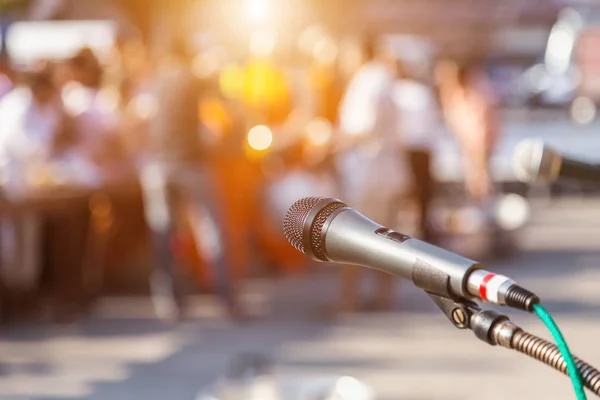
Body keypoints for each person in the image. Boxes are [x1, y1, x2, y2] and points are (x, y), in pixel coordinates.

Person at [140, 37, 236, 322]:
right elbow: (217, 119)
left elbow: (139, 117)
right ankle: (225, 297)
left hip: (157, 164)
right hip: (191, 162)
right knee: (211, 230)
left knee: (163, 234)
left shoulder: (154, 83)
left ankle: (168, 302)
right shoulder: (193, 80)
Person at [333, 35, 410, 314]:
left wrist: (332, 139)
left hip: (370, 173)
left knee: (352, 238)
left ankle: (348, 301)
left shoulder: (369, 79)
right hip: (384, 170)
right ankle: (382, 298)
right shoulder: (382, 77)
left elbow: (363, 127)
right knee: (386, 240)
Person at [392, 60, 440, 243]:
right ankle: (423, 231)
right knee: (424, 195)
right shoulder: (422, 92)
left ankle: (401, 234)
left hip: (405, 148)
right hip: (423, 147)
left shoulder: (396, 91)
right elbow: (433, 121)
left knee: (404, 192)